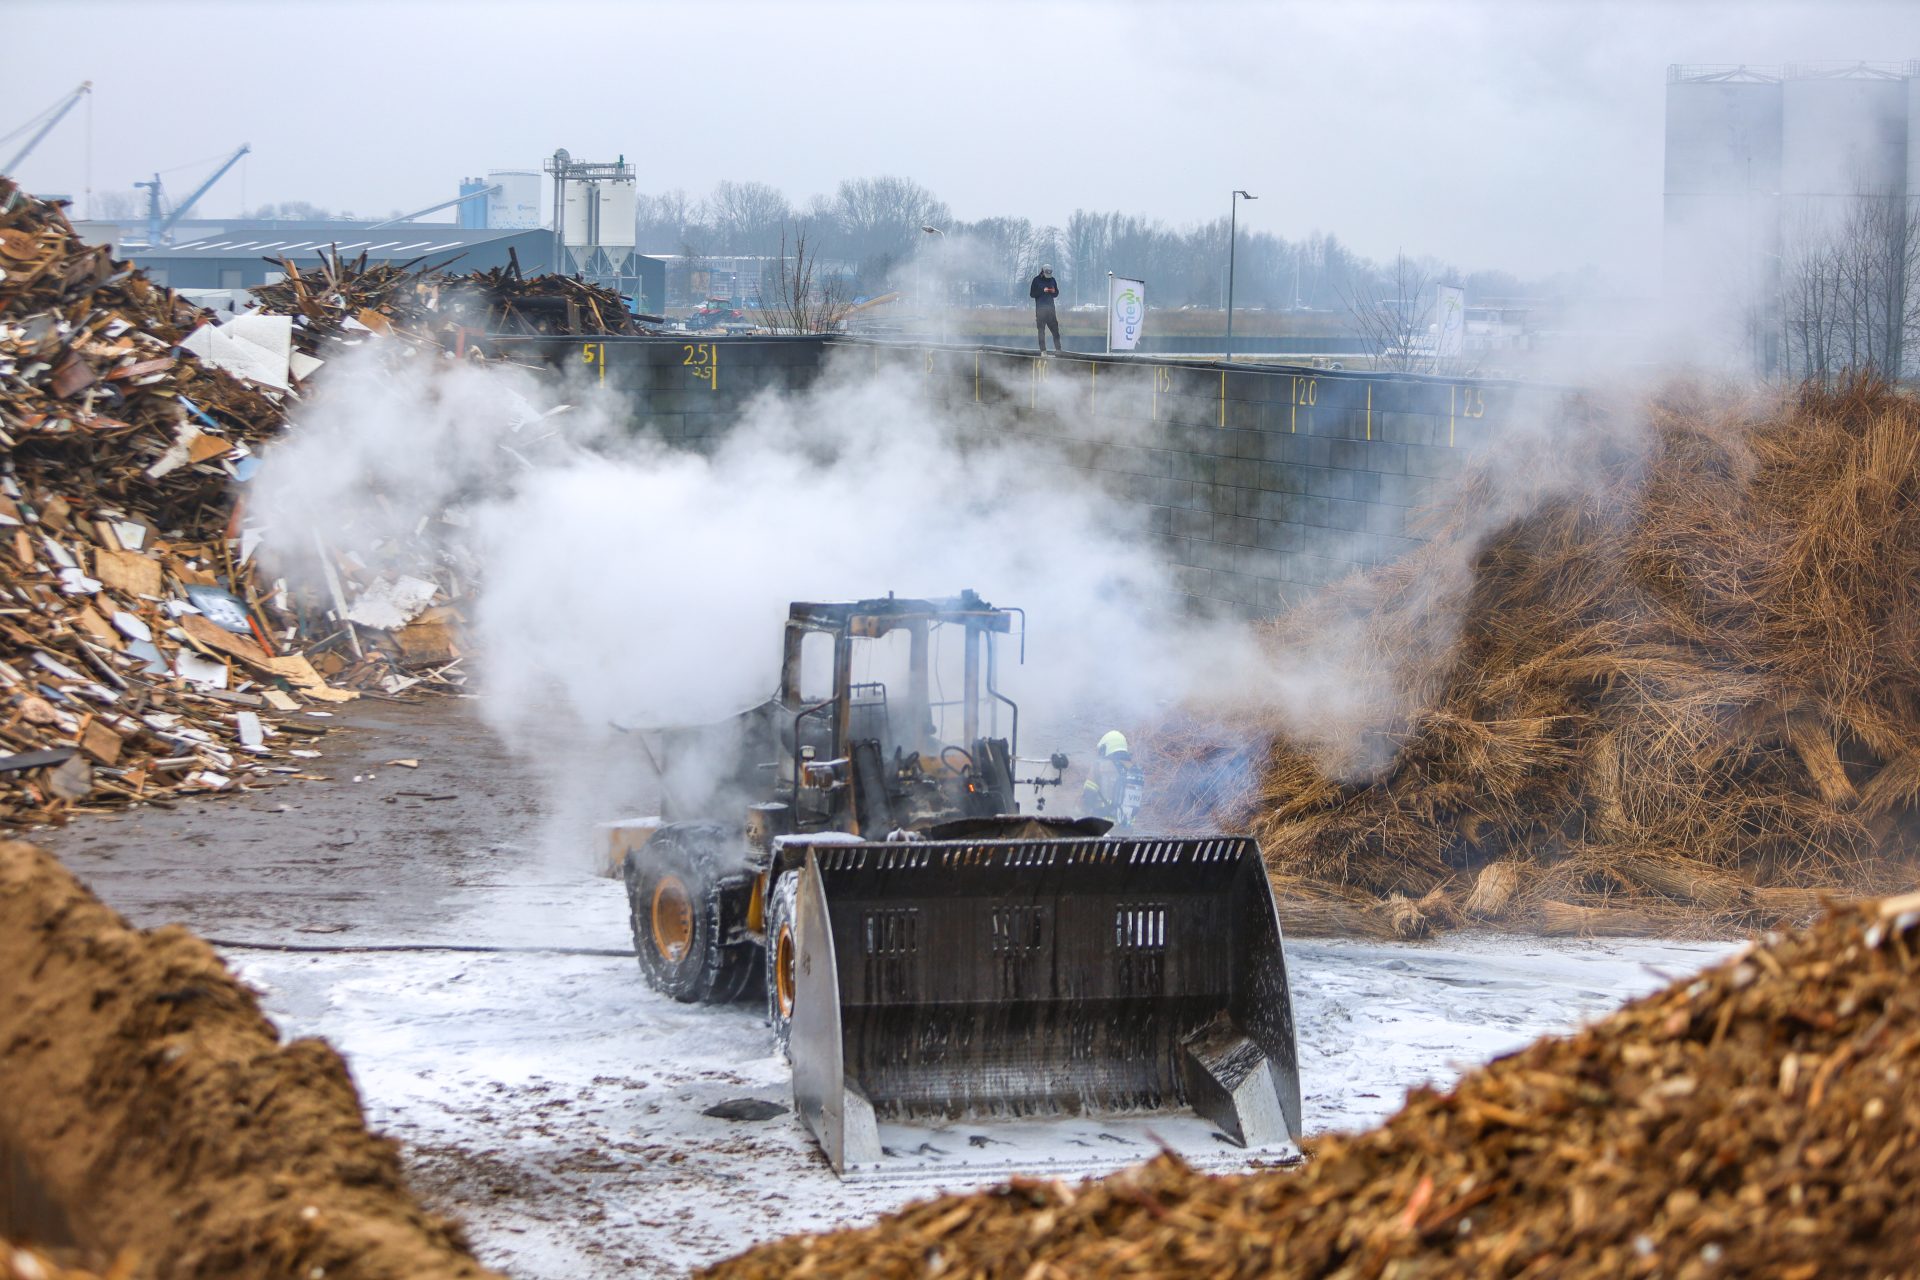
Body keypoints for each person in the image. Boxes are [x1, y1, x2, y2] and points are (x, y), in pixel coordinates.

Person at [1082, 730, 1145, 831]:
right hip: (1126, 830)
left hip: (1102, 828)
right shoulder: (1136, 770)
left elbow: (1088, 797)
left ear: (1106, 747)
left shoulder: (1099, 767)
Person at [1029, 265, 1063, 354]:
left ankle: (1058, 349)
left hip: (1051, 309)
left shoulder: (1053, 280)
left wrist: (1053, 291)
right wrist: (1042, 290)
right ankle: (1043, 350)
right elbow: (1032, 294)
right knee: (1041, 331)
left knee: (1055, 330)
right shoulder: (1036, 280)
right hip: (1040, 310)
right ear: (1042, 272)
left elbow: (1056, 294)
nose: (1048, 276)